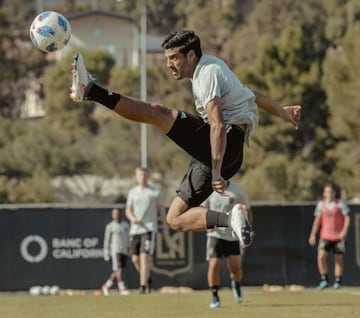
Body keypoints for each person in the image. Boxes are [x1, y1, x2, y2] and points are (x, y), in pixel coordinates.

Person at [70, 30, 301, 248]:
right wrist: (283, 112)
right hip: (227, 153)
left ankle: (90, 90)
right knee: (175, 218)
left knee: (158, 113)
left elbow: (218, 125)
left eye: (174, 58)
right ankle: (231, 220)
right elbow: (252, 95)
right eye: (167, 58)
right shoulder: (213, 67)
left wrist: (217, 170)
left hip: (223, 144)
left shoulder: (206, 74)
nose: (169, 64)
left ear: (191, 55)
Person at [202, 180, 253, 308]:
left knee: (235, 270)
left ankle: (236, 284)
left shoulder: (237, 191)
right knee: (213, 264)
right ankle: (215, 297)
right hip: (215, 235)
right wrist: (206, 225)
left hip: (233, 235)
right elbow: (202, 209)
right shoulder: (209, 191)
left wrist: (246, 230)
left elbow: (247, 210)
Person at [125, 167, 169, 294]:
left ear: (148, 175)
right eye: (139, 175)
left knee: (145, 257)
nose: (142, 177)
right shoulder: (133, 192)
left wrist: (165, 228)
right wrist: (132, 218)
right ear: (136, 176)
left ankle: (142, 286)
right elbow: (128, 210)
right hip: (135, 230)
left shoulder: (154, 192)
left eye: (144, 175)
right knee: (135, 259)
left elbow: (161, 211)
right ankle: (147, 278)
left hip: (149, 228)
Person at [308, 183, 351, 290]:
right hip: (325, 235)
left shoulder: (340, 204)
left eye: (331, 192)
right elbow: (317, 221)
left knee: (338, 259)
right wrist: (313, 234)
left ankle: (337, 281)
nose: (329, 194)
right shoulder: (321, 205)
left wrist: (344, 231)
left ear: (334, 193)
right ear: (324, 194)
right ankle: (324, 279)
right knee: (321, 257)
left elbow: (347, 218)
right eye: (327, 192)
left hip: (338, 236)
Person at [102, 208, 130, 296]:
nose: (116, 215)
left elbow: (128, 238)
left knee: (118, 270)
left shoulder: (125, 225)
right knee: (119, 269)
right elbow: (107, 240)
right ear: (112, 215)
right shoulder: (110, 226)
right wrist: (106, 253)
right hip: (115, 250)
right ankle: (121, 288)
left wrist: (129, 248)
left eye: (117, 213)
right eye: (114, 214)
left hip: (124, 250)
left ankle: (106, 286)